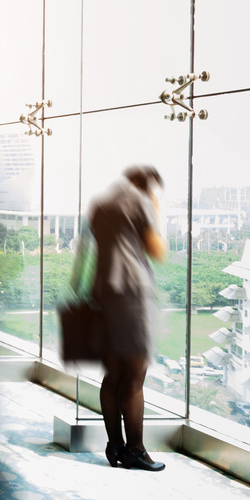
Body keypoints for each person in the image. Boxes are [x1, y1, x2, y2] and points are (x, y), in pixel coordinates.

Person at [89, 165, 167, 472]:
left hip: (103, 294)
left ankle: (115, 445)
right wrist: (155, 209)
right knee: (135, 375)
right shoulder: (140, 200)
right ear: (148, 185)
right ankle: (136, 449)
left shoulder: (101, 204)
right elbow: (157, 250)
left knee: (113, 373)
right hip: (132, 294)